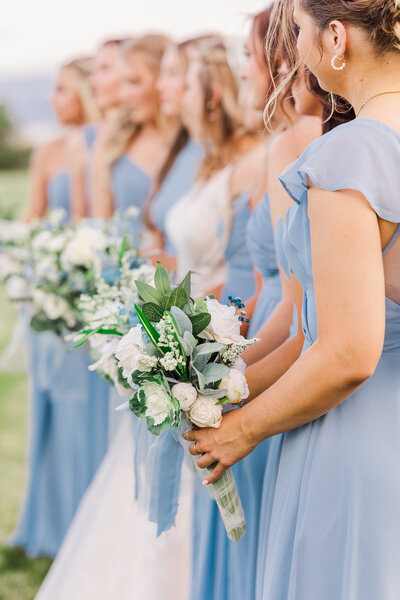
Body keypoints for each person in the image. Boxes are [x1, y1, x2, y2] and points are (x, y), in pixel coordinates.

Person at [185, 1, 400, 598]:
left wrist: (242, 429)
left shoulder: (352, 152)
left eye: (301, 31)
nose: (297, 50)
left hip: (355, 435)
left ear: (336, 37)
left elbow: (349, 351)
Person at [11, 57, 110, 559]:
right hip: (50, 296)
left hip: (90, 296)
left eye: (62, 89)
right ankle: (48, 523)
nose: (53, 99)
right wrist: (32, 261)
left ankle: (85, 520)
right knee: (49, 411)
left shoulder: (102, 145)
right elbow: (28, 219)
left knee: (86, 413)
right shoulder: (47, 149)